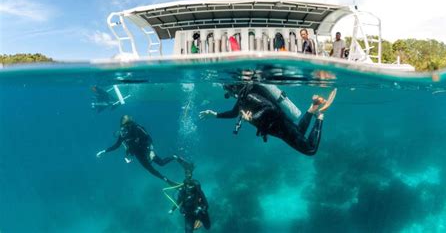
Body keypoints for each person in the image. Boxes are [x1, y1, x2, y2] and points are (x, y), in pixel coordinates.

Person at [199, 83, 336, 156]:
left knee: (310, 150)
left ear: (233, 88)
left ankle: (320, 115)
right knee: (299, 131)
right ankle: (313, 107)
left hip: (279, 125)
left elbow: (270, 108)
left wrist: (252, 117)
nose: (229, 94)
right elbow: (233, 113)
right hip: (277, 128)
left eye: (228, 91)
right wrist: (215, 115)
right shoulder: (243, 99)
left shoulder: (249, 96)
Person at [96, 115, 190, 185]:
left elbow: (149, 139)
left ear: (131, 123)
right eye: (124, 126)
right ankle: (169, 181)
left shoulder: (137, 128)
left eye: (128, 125)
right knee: (150, 170)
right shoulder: (122, 133)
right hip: (137, 154)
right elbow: (116, 145)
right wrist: (104, 151)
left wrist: (152, 151)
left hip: (146, 149)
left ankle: (175, 157)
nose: (126, 127)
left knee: (161, 163)